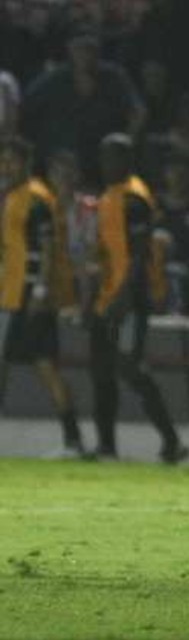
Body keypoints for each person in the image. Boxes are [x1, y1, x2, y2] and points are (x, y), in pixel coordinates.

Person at [89, 134, 187, 463]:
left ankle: (171, 440)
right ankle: (106, 445)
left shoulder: (134, 199)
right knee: (102, 369)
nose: (105, 165)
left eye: (111, 158)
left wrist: (124, 296)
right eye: (102, 157)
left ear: (125, 160)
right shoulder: (109, 196)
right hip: (108, 297)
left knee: (129, 367)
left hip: (129, 299)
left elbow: (140, 252)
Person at [0, 136, 83, 456]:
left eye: (12, 161)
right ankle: (73, 440)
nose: (7, 167)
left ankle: (73, 441)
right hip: (12, 292)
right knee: (22, 365)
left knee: (46, 367)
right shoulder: (13, 197)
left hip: (28, 294)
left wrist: (40, 289)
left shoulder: (35, 199)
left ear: (26, 163)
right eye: (3, 161)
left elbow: (46, 249)